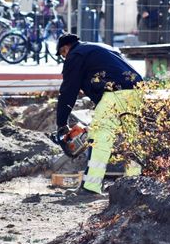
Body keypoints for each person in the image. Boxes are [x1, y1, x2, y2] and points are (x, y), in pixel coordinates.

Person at [55, 33, 143, 195]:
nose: (64, 58)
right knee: (132, 139)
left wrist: (61, 123)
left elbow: (68, 91)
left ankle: (91, 186)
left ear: (65, 48)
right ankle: (133, 184)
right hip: (137, 91)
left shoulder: (75, 55)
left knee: (99, 137)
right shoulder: (99, 48)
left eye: (62, 54)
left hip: (114, 94)